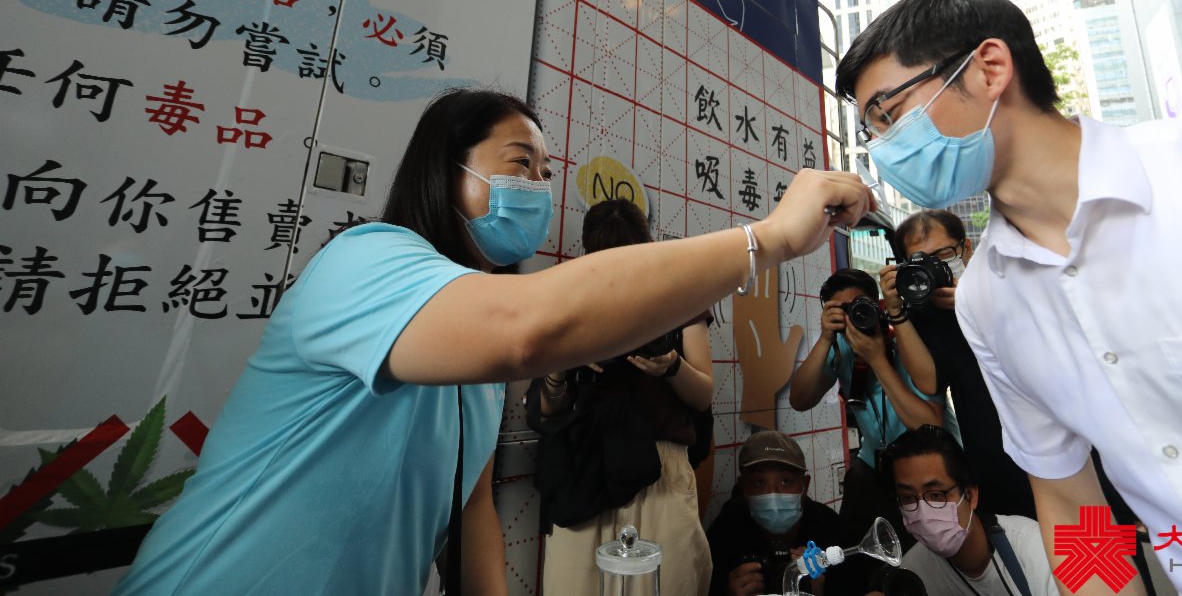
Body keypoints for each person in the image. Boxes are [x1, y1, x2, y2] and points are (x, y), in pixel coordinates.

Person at [110, 87, 876, 596]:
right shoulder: (367, 259)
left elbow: (471, 510)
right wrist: (766, 239)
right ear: (445, 173)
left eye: (546, 171)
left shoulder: (470, 360)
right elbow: (527, 329)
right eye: (519, 164)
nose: (537, 187)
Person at [835, 0, 1182, 596]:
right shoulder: (988, 302)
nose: (884, 150)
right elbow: (1069, 497)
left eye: (889, 114)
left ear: (989, 69)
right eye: (872, 131)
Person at [533, 198, 714, 596]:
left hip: (661, 471)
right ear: (588, 254)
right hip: (586, 473)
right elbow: (546, 409)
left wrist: (671, 366)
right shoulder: (568, 297)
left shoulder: (679, 294)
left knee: (671, 585)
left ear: (647, 246)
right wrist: (564, 363)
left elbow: (703, 395)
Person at [789, 269, 956, 573]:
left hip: (930, 463)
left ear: (878, 306)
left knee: (927, 563)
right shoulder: (840, 348)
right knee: (856, 556)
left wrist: (878, 359)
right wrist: (826, 337)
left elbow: (930, 427)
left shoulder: (905, 341)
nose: (854, 317)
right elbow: (800, 400)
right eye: (841, 311)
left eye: (860, 306)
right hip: (875, 465)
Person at [879, 210, 1034, 519]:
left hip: (1063, 455)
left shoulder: (1007, 284)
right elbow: (929, 382)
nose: (934, 265)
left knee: (1093, 558)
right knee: (1022, 559)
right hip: (995, 468)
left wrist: (975, 302)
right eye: (921, 260)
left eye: (943, 253)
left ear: (966, 248)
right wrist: (897, 312)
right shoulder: (926, 316)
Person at [869, 425, 1058, 596]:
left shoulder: (1041, 546)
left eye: (936, 495)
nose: (923, 512)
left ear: (970, 495)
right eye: (908, 498)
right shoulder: (912, 575)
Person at [706, 431, 862, 596]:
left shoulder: (828, 527)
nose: (773, 494)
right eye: (759, 482)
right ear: (743, 487)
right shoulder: (726, 531)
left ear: (805, 485)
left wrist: (821, 590)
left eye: (785, 481)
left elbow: (854, 584)